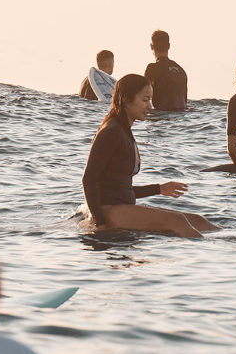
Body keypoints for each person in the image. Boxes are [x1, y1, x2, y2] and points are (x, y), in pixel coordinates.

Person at [81, 74, 217, 238]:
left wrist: (159, 189)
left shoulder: (124, 130)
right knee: (177, 221)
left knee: (198, 221)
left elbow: (122, 190)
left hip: (121, 207)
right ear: (126, 100)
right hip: (107, 211)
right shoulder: (112, 131)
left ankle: (233, 240)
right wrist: (100, 223)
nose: (150, 107)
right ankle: (212, 256)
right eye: (145, 100)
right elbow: (88, 179)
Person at [144, 29, 188, 111]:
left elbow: (143, 97)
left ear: (151, 46)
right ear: (169, 46)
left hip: (161, 115)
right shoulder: (181, 70)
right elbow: (185, 101)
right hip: (182, 116)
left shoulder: (152, 68)